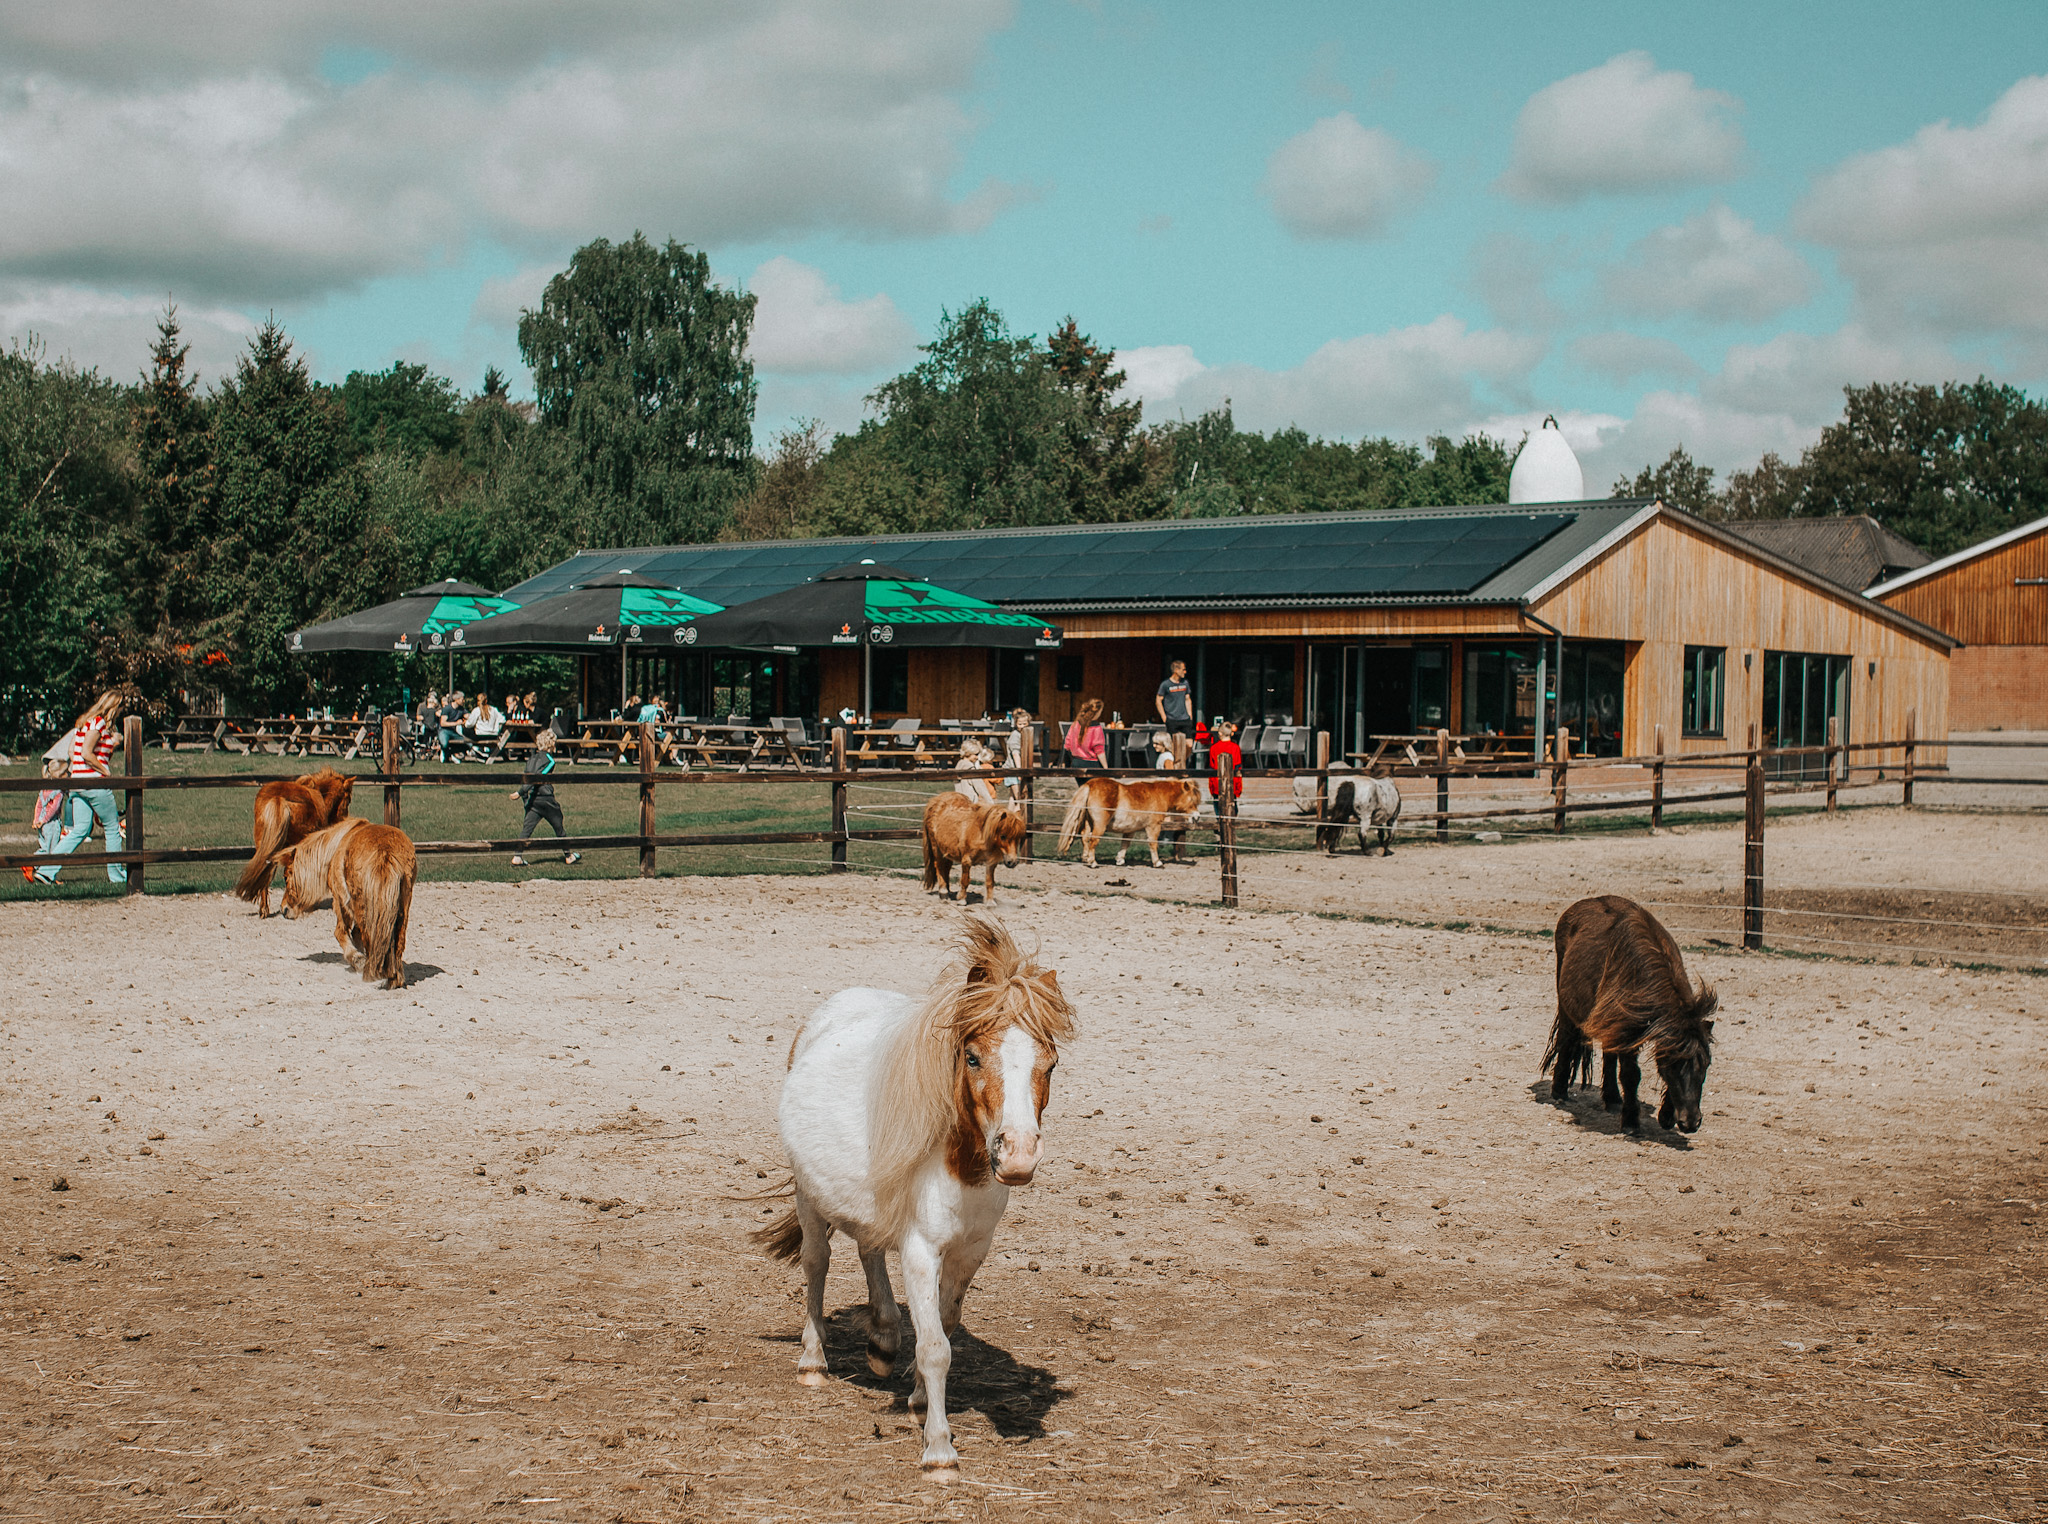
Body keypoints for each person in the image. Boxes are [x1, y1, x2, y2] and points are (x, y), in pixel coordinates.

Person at [37, 691, 126, 884]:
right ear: (114, 706)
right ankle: (117, 876)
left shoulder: (86, 723)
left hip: (77, 782)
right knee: (112, 827)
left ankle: (46, 870)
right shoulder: (98, 723)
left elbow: (77, 751)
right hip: (93, 781)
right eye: (120, 707)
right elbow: (87, 753)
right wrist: (105, 771)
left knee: (80, 830)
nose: (121, 711)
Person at [509, 729, 580, 867]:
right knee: (559, 826)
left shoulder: (531, 758)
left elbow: (526, 777)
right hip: (546, 799)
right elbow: (538, 777)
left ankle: (517, 856)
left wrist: (524, 796)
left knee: (526, 829)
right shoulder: (550, 761)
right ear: (551, 744)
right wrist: (520, 792)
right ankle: (568, 855)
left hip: (532, 800)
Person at [1155, 659, 1194, 746]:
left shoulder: (1185, 683)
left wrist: (1190, 715)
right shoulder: (1165, 684)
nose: (1185, 672)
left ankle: (1184, 759)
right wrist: (1164, 717)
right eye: (1183, 669)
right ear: (1176, 670)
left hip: (1185, 718)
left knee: (1189, 744)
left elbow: (1187, 699)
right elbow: (1158, 700)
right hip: (1172, 719)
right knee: (1174, 745)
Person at [1063, 698, 1107, 772]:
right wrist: (1106, 769)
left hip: (1075, 763)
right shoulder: (1096, 727)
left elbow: (1067, 745)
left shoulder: (1075, 724)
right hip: (1091, 765)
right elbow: (1099, 750)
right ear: (1097, 712)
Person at [1207, 719, 1244, 803]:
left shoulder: (1213, 748)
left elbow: (1212, 768)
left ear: (1220, 733)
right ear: (1231, 733)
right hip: (1233, 784)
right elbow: (1238, 767)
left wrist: (1211, 788)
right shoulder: (1236, 748)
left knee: (1218, 811)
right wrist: (1238, 788)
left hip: (1217, 784)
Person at [467, 692, 506, 761]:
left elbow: (469, 724)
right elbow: (502, 719)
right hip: (492, 735)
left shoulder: (476, 710)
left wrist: (464, 722)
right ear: (486, 700)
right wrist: (497, 729)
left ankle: (474, 748)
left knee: (463, 729)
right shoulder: (494, 709)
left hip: (480, 735)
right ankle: (479, 750)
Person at [437, 691, 467, 762]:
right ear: (457, 699)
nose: (464, 701)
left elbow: (468, 716)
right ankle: (444, 752)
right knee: (444, 744)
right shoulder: (447, 709)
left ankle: (451, 753)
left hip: (453, 732)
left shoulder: (461, 709)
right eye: (462, 699)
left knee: (468, 744)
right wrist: (456, 723)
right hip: (444, 730)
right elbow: (442, 723)